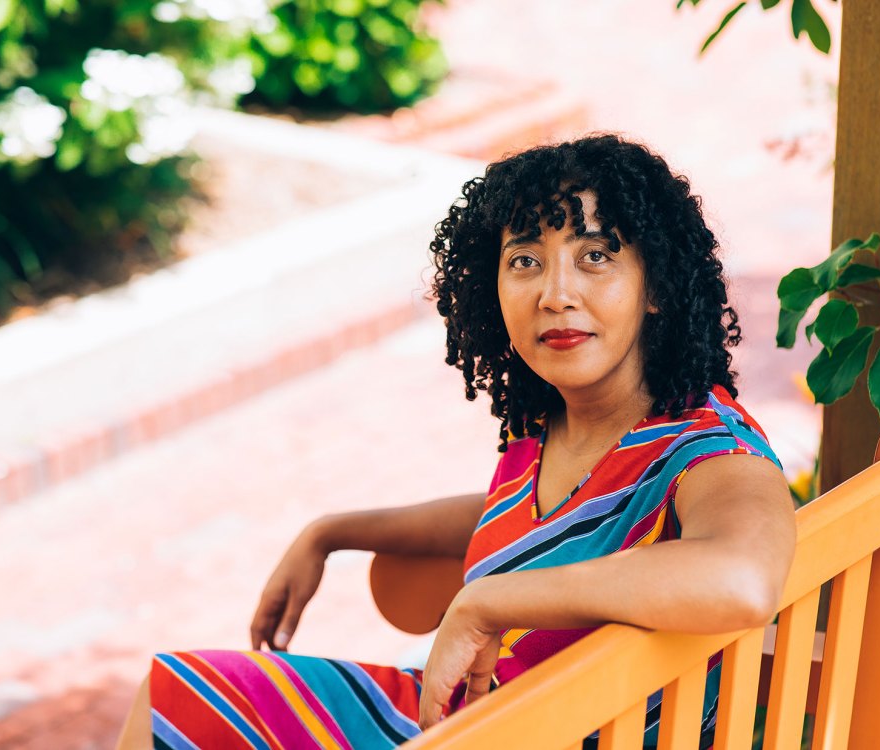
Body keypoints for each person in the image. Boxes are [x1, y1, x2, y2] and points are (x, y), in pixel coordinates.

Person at [114, 134, 797, 750]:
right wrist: (332, 533)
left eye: (596, 257)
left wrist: (488, 603)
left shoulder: (711, 450)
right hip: (492, 720)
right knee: (178, 698)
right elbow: (538, 522)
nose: (557, 293)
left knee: (176, 706)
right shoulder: (554, 426)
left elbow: (741, 580)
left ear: (657, 287)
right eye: (525, 260)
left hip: (511, 728)